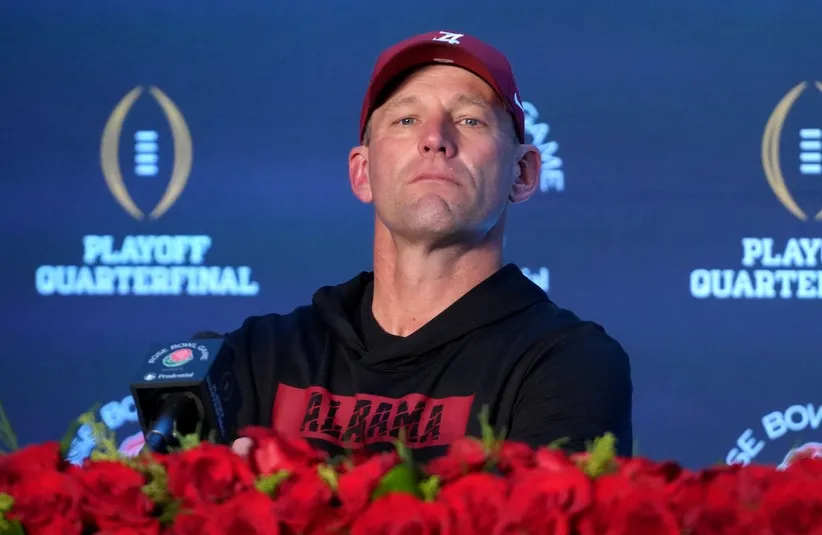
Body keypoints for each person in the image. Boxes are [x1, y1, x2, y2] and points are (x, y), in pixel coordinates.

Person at [226, 30, 633, 461]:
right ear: (362, 173)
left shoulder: (569, 364)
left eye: (470, 120)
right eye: (406, 120)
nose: (435, 138)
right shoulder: (254, 358)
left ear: (524, 173)